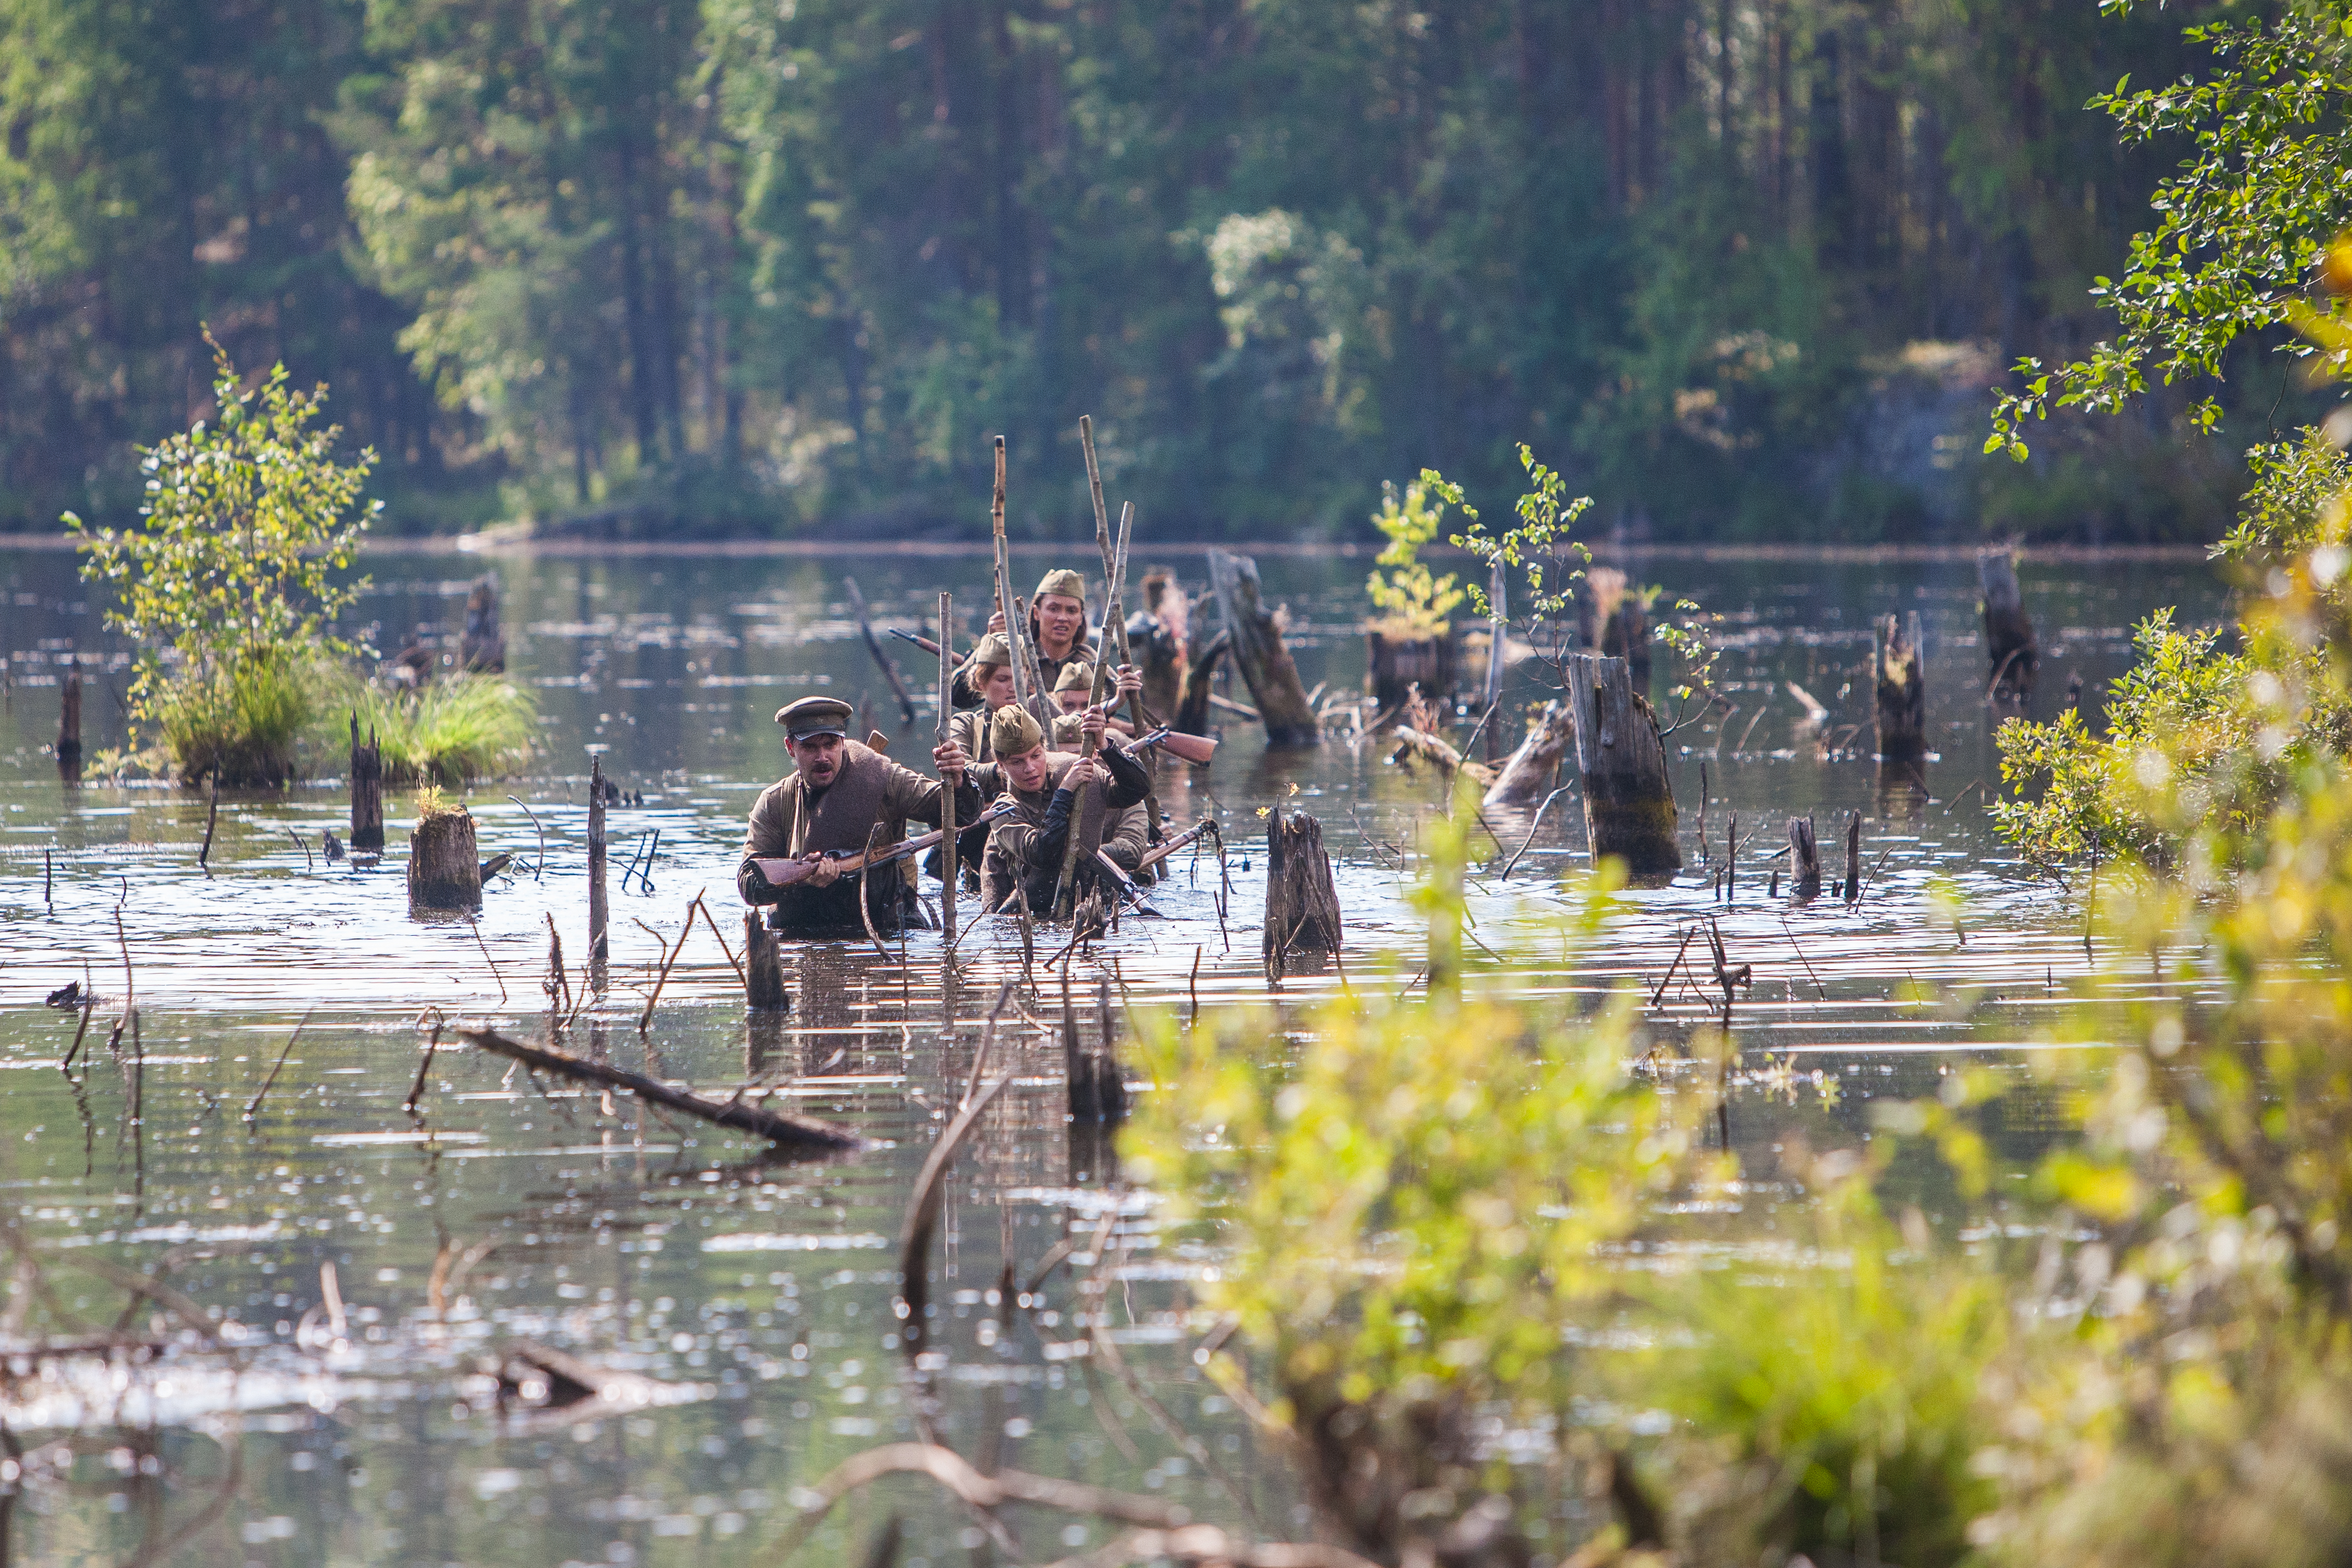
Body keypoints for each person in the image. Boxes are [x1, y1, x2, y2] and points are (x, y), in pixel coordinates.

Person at [738, 695, 977, 935]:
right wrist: (803, 879)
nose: (822, 757)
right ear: (791, 748)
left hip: (887, 929)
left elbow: (960, 814)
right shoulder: (775, 802)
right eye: (810, 747)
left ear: (843, 742)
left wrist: (957, 781)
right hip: (802, 930)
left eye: (830, 744)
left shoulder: (881, 778)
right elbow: (749, 882)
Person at [968, 705, 1149, 916]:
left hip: (1086, 905)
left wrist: (1105, 746)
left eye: (1035, 756)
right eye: (1017, 762)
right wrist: (1065, 793)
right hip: (1023, 910)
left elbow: (1135, 791)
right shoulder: (1004, 810)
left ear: (1044, 750)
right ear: (1000, 765)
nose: (1030, 768)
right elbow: (1043, 853)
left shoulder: (1077, 772)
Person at [956, 568, 1097, 706]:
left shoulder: (1091, 664)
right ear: (1036, 613)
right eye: (1053, 609)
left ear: (1081, 618)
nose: (1062, 618)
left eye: (1071, 611)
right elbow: (958, 698)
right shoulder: (1015, 657)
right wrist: (989, 648)